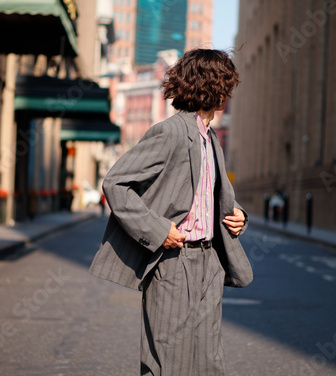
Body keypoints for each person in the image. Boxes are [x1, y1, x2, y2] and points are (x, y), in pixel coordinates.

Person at [89, 49, 253, 376]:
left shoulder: (210, 140)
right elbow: (116, 183)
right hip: (175, 264)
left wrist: (239, 216)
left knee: (208, 362)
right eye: (226, 84)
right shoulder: (171, 132)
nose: (229, 92)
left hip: (210, 261)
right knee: (168, 362)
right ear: (213, 86)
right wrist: (158, 230)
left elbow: (212, 196)